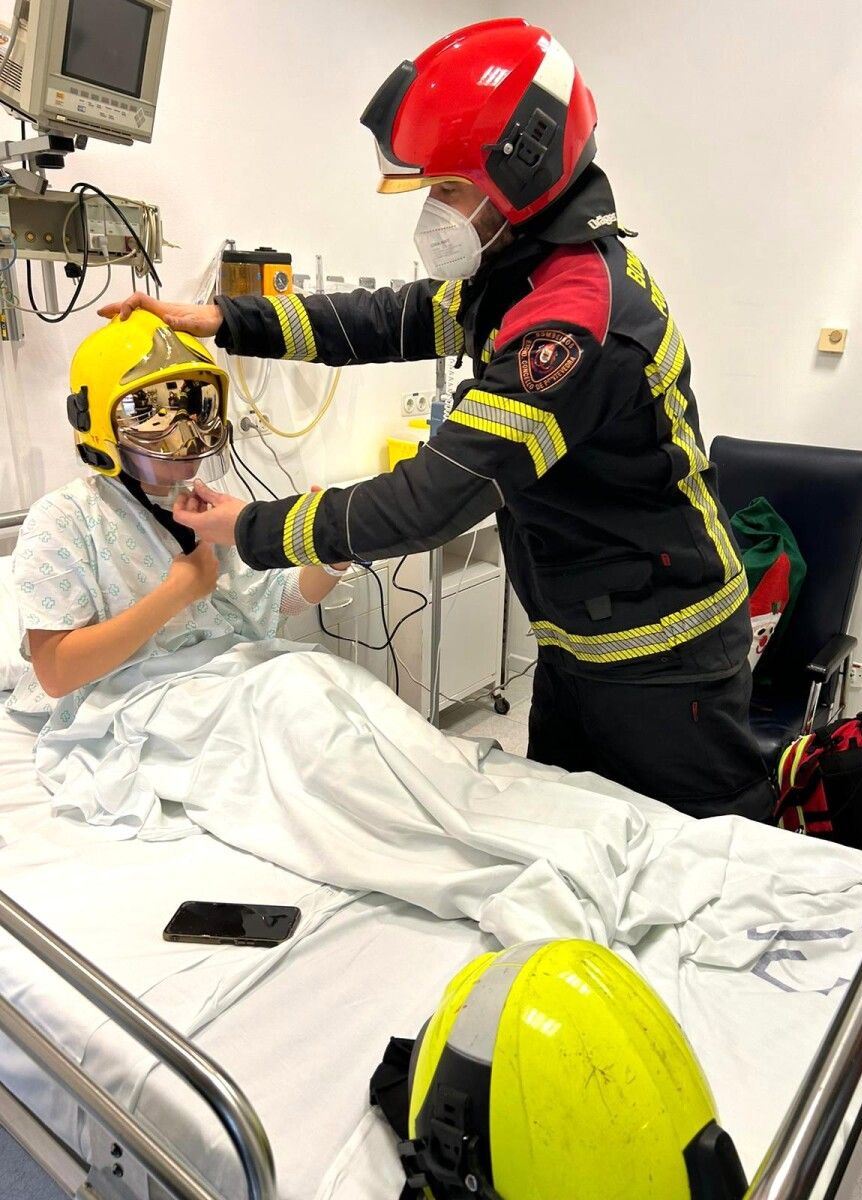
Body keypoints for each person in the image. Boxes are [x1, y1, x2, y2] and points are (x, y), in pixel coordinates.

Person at [100, 18, 773, 821]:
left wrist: (253, 528)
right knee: (573, 838)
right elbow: (384, 319)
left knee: (697, 871)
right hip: (584, 641)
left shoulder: (569, 322)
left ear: (521, 173)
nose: (434, 211)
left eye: (448, 188)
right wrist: (223, 317)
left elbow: (432, 500)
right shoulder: (520, 274)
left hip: (665, 659)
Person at [8, 310, 346, 726]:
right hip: (137, 704)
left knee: (347, 714)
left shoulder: (203, 506)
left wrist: (332, 555)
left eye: (198, 406)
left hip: (233, 683)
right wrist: (180, 589)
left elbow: (278, 600)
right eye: (155, 413)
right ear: (97, 420)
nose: (186, 435)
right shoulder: (64, 519)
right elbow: (57, 674)